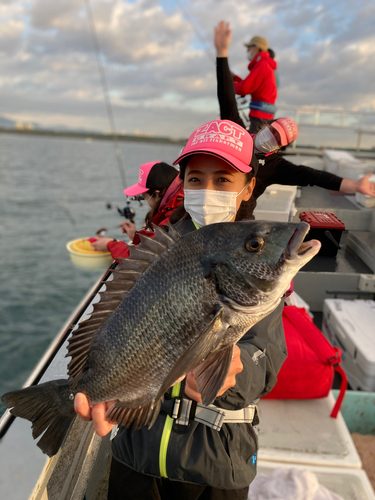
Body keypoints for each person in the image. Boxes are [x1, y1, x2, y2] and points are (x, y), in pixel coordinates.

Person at [75, 119, 288, 499]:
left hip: (216, 464)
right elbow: (118, 318)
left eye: (223, 180)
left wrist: (235, 369)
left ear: (248, 187)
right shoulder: (158, 248)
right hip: (135, 453)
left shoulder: (255, 267)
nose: (208, 190)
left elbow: (266, 361)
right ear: (182, 185)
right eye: (196, 179)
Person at [214, 21, 375, 215]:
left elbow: (314, 176)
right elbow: (227, 98)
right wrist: (222, 52)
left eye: (278, 140)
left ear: (279, 149)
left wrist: (356, 186)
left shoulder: (275, 166)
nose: (271, 138)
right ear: (264, 127)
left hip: (240, 221)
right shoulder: (237, 134)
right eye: (273, 131)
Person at [91, 160, 184, 258]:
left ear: (157, 193)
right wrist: (137, 237)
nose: (144, 200)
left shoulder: (176, 217)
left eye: (144, 196)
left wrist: (109, 245)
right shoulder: (178, 204)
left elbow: (143, 258)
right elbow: (160, 241)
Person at [230, 30, 277, 134]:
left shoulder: (262, 64)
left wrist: (227, 85)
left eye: (249, 47)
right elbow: (251, 85)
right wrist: (234, 78)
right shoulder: (265, 64)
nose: (247, 50)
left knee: (255, 149)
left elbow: (245, 88)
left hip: (260, 116)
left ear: (256, 47)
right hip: (263, 114)